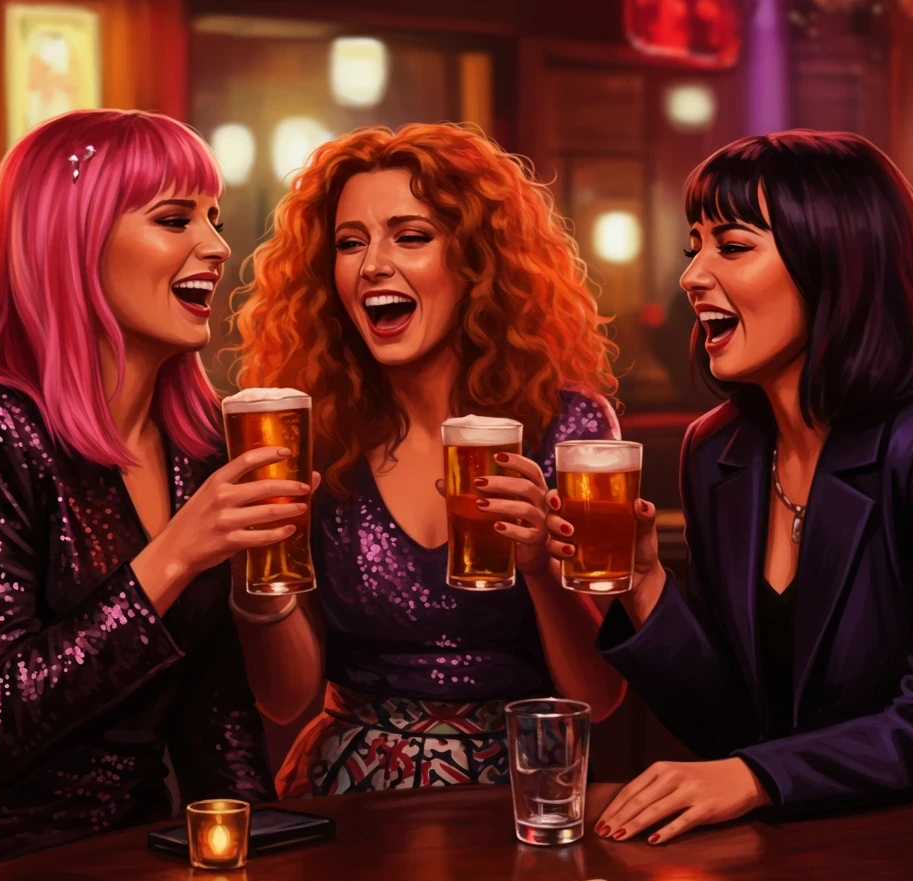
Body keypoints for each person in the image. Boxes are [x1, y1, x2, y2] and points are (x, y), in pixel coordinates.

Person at [544, 130, 913, 844]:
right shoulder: (718, 450)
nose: (692, 277)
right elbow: (730, 722)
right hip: (789, 849)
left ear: (835, 263)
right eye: (693, 248)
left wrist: (757, 777)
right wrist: (642, 583)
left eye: (732, 247)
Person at [0, 109, 297, 881]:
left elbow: (217, 719)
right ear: (74, 245)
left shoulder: (198, 445)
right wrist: (174, 555)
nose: (215, 245)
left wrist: (263, 856)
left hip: (136, 853)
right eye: (175, 219)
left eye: (213, 218)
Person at [228, 122, 627, 796]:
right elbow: (284, 699)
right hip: (348, 795)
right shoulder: (318, 435)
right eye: (350, 244)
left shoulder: (572, 428)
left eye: (410, 237)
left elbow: (601, 694)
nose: (372, 265)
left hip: (519, 792)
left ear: (477, 261)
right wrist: (250, 573)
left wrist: (538, 568)